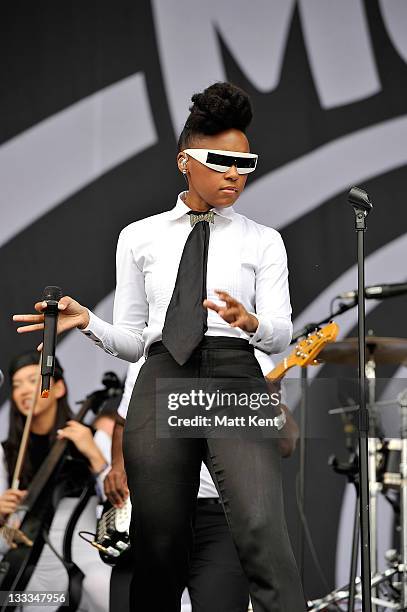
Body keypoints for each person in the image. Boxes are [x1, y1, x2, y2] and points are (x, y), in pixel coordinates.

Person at [13, 81, 306, 611]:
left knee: (263, 531)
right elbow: (132, 343)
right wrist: (87, 323)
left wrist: (250, 322)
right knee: (160, 545)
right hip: (163, 374)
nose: (234, 174)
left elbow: (283, 333)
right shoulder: (139, 237)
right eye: (219, 162)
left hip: (235, 375)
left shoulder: (263, 240)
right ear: (183, 162)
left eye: (245, 163)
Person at [105, 352, 299, 612]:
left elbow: (285, 445)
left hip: (218, 518)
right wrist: (117, 465)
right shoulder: (147, 355)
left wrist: (270, 407)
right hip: (157, 512)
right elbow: (123, 422)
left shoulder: (255, 360)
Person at [0, 352, 111, 612]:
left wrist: (95, 456)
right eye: (17, 385)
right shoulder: (7, 453)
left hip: (85, 558)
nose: (24, 391)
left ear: (58, 387)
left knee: (109, 594)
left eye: (33, 380)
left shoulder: (89, 437)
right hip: (28, 563)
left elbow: (121, 501)